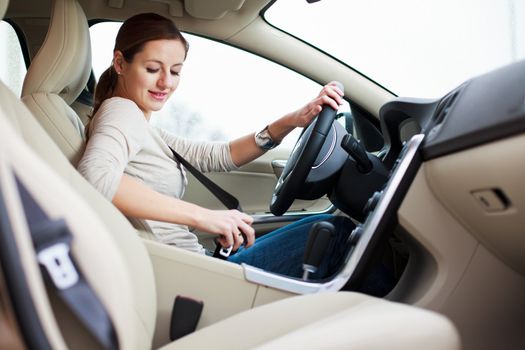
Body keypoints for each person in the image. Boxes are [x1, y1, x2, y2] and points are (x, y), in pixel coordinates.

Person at [78, 12, 355, 279]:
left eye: (175, 71)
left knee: (324, 230)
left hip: (196, 264)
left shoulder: (140, 123)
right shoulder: (121, 112)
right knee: (337, 234)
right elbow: (96, 177)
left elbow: (219, 156)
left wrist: (293, 120)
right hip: (189, 275)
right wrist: (205, 218)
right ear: (119, 63)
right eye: (152, 69)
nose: (166, 82)